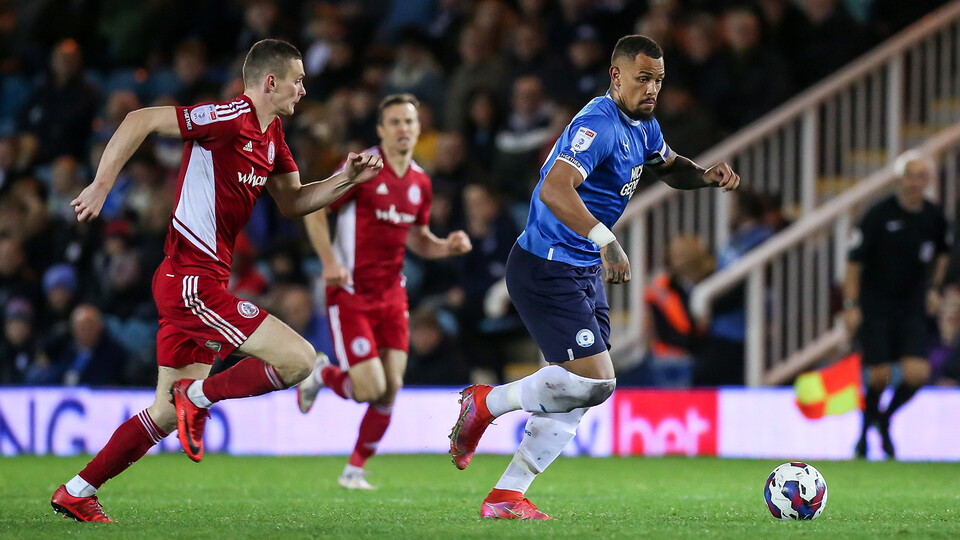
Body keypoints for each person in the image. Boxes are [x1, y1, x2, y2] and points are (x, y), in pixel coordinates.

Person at [50, 39, 383, 523]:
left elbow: (292, 203)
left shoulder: (273, 139)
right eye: (298, 79)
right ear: (271, 82)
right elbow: (139, 119)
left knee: (165, 413)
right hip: (190, 280)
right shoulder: (229, 116)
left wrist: (346, 179)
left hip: (197, 281)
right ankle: (199, 398)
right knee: (300, 360)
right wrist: (101, 184)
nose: (304, 89)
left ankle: (77, 490)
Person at [447, 34, 740, 520]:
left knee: (579, 396)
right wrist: (608, 241)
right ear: (616, 75)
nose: (652, 89)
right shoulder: (597, 124)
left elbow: (668, 167)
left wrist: (704, 174)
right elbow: (555, 190)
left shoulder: (643, 125)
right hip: (547, 267)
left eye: (659, 80)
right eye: (643, 78)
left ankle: (506, 495)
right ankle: (487, 402)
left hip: (579, 270)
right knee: (598, 382)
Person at [296, 94, 471, 490]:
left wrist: (448, 246)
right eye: (394, 122)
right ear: (381, 130)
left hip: (393, 296)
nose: (402, 129)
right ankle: (322, 374)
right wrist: (328, 261)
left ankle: (354, 470)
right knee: (369, 389)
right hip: (352, 293)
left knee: (391, 388)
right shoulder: (362, 168)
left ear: (418, 128)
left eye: (409, 121)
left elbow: (420, 239)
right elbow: (315, 208)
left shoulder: (420, 182)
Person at [844, 150, 949, 459]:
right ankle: (865, 432)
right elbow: (854, 263)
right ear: (899, 179)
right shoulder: (877, 215)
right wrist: (851, 304)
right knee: (878, 375)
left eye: (921, 176)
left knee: (917, 373)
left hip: (912, 305)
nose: (916, 182)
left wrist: (934, 287)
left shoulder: (934, 216)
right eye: (910, 175)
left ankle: (884, 419)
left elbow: (943, 252)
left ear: (928, 180)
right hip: (876, 304)